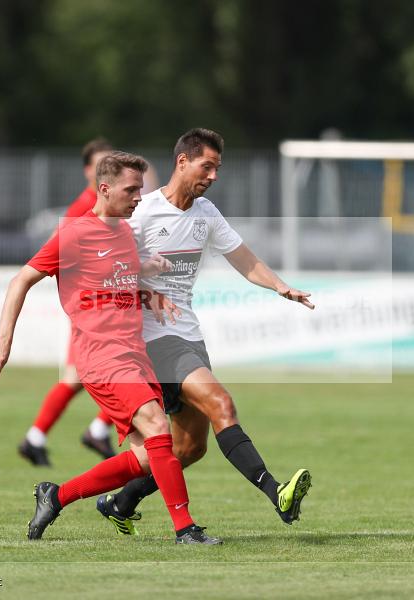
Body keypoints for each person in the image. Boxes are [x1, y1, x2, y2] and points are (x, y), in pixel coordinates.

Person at [0, 151, 220, 544]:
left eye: (140, 189)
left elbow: (118, 273)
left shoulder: (124, 232)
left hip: (135, 355)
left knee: (147, 457)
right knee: (158, 426)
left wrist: (149, 282)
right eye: (131, 190)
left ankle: (56, 496)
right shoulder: (75, 233)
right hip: (101, 357)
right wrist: (3, 339)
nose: (138, 197)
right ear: (105, 189)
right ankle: (185, 528)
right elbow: (21, 280)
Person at [96, 128, 314, 535]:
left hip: (188, 338)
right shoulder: (142, 212)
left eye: (217, 168)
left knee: (189, 448)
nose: (213, 176)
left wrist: (280, 286)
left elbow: (244, 259)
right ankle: (277, 494)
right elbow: (109, 268)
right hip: (155, 341)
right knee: (221, 404)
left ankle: (119, 502)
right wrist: (144, 289)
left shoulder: (206, 213)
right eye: (207, 166)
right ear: (183, 162)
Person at [18, 138, 118, 466]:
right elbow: (53, 251)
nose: (107, 170)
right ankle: (95, 431)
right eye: (100, 164)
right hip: (92, 307)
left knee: (80, 377)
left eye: (111, 164)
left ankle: (38, 437)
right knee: (132, 369)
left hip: (105, 304)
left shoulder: (108, 203)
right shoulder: (84, 207)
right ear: (88, 171)